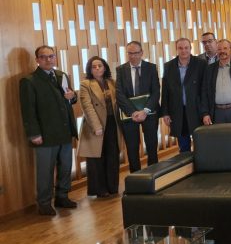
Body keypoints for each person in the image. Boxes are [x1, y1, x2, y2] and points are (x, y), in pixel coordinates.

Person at [19, 45, 79, 215]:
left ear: (55, 58)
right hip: (45, 134)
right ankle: (44, 203)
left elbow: (69, 99)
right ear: (37, 60)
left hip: (65, 131)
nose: (48, 59)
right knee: (45, 170)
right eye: (43, 57)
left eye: (51, 56)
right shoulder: (29, 81)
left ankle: (62, 196)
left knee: (66, 166)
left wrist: (73, 96)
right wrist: (34, 134)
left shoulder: (61, 75)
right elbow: (28, 111)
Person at [78, 56, 124, 198]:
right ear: (90, 69)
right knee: (97, 157)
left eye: (100, 65)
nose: (97, 68)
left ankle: (112, 187)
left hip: (112, 122)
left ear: (105, 67)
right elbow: (87, 106)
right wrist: (96, 126)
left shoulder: (112, 82)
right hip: (95, 124)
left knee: (112, 155)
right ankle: (100, 189)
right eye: (94, 66)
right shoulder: (85, 84)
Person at [116, 40, 160, 172]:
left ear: (141, 53)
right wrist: (133, 112)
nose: (133, 56)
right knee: (132, 148)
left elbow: (156, 91)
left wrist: (145, 111)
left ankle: (153, 174)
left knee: (152, 145)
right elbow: (119, 94)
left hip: (149, 112)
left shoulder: (151, 67)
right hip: (129, 114)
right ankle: (135, 177)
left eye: (136, 53)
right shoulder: (121, 70)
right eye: (130, 53)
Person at [161, 38, 207, 152]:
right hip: (178, 111)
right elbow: (165, 91)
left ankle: (199, 162)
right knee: (184, 146)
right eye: (180, 48)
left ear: (190, 48)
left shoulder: (201, 64)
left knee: (201, 144)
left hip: (197, 110)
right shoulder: (168, 66)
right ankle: (186, 163)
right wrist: (165, 113)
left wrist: (206, 111)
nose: (183, 51)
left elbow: (205, 89)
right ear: (176, 49)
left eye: (186, 48)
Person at [200, 39, 231, 124]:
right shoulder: (209, 69)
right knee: (218, 133)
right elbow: (204, 92)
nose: (222, 51)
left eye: (225, 48)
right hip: (216, 112)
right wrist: (205, 113)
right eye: (219, 49)